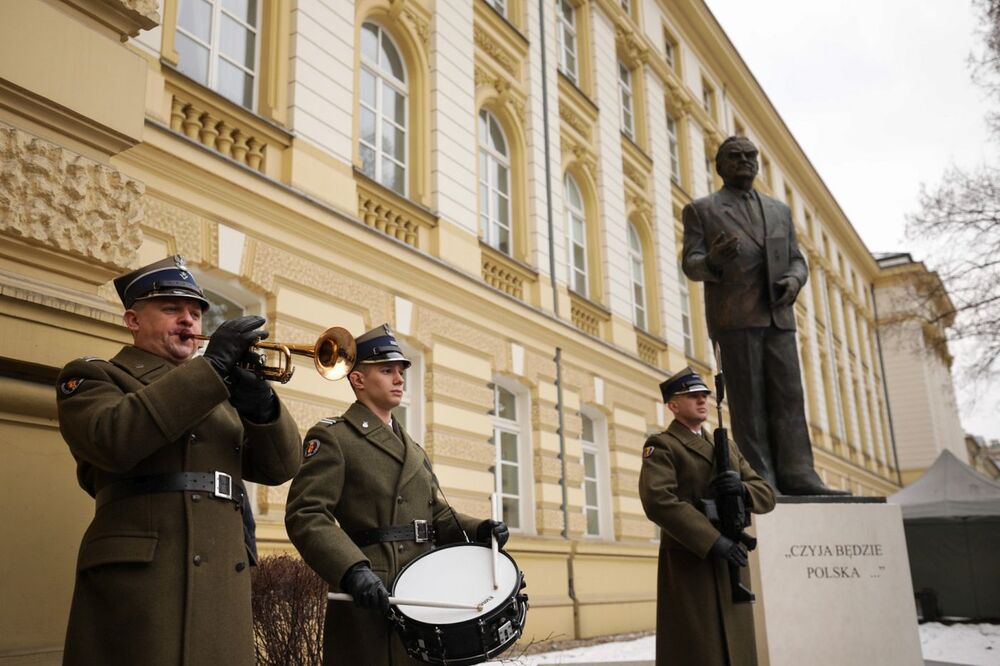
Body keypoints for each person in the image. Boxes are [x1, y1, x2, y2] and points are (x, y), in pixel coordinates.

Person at [55, 255, 302, 665]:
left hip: (222, 575)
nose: (188, 320)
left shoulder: (218, 392)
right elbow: (112, 439)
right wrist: (212, 368)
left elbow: (282, 467)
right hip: (146, 579)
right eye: (172, 309)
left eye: (196, 312)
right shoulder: (94, 375)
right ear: (133, 320)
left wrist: (262, 405)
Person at [285, 324, 510, 665]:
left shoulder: (412, 448)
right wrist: (351, 570)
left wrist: (479, 529)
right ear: (358, 379)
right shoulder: (334, 437)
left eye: (401, 371)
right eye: (386, 370)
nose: (399, 379)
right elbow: (306, 514)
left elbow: (435, 513)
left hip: (423, 586)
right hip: (372, 588)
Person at [682, 135, 847, 495]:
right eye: (735, 156)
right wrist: (712, 261)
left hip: (778, 316)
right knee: (749, 403)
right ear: (719, 166)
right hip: (735, 319)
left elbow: (797, 260)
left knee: (790, 397)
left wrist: (794, 280)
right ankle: (762, 478)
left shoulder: (779, 211)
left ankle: (799, 472)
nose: (745, 160)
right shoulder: (702, 210)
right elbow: (691, 264)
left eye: (750, 155)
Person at [639, 367, 776, 666]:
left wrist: (741, 489)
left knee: (737, 649)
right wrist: (713, 540)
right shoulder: (663, 445)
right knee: (701, 650)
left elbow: (766, 494)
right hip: (692, 560)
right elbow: (658, 500)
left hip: (732, 558)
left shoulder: (727, 446)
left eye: (704, 395)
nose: (702, 400)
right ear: (673, 405)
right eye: (692, 396)